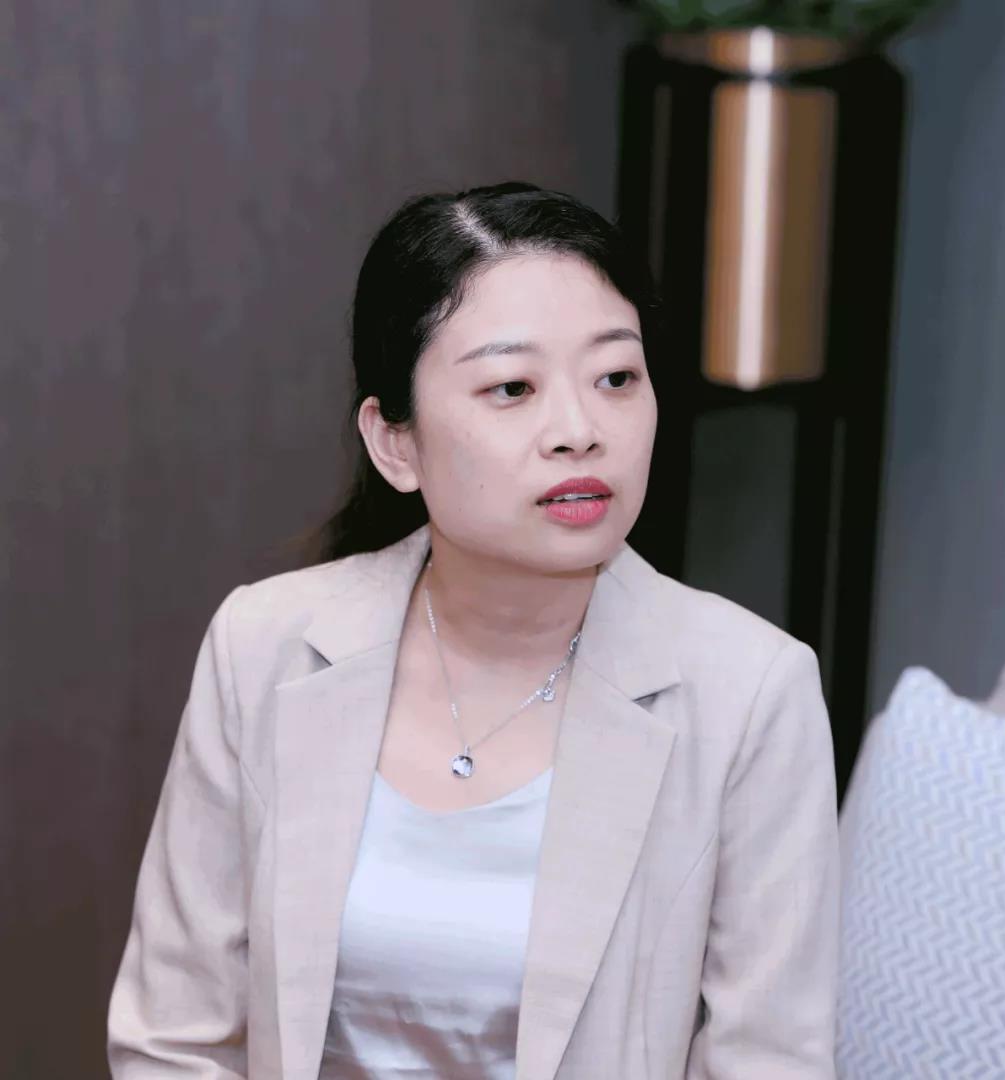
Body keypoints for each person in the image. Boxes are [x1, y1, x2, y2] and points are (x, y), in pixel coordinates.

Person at [106, 182, 840, 1079]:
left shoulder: (752, 693)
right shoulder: (263, 647)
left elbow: (770, 1060)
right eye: (512, 388)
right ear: (395, 443)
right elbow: (173, 1040)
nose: (579, 431)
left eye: (616, 378)